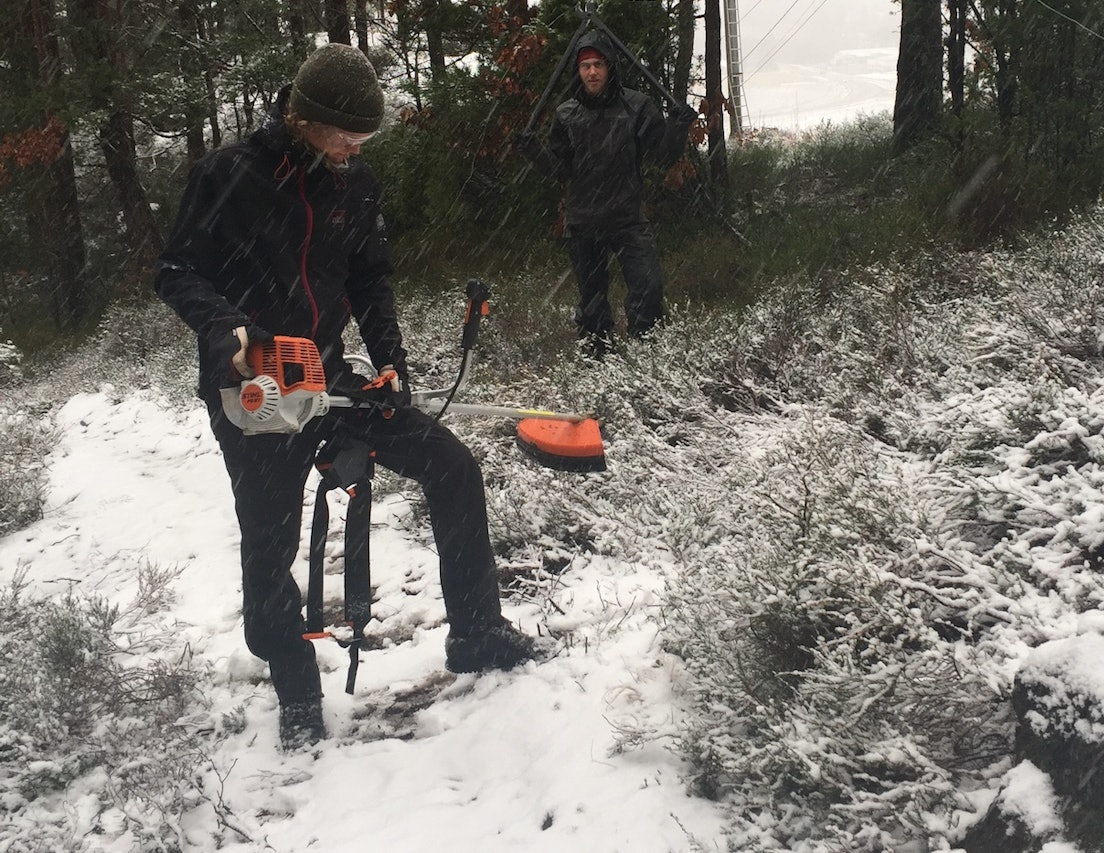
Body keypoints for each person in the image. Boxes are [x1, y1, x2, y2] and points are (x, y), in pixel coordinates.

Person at [155, 43, 543, 751]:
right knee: (268, 542)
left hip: (333, 376)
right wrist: (228, 329)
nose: (355, 147)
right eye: (345, 135)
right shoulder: (229, 174)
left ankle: (478, 631)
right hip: (257, 389)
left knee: (453, 467)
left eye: (365, 138)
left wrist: (391, 359)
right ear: (303, 117)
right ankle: (297, 685)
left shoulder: (353, 183)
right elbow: (175, 271)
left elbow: (370, 278)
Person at [517, 30, 697, 357]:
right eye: (585, 66)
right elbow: (559, 170)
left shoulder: (637, 106)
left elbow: (663, 157)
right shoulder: (567, 114)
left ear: (610, 66)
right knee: (592, 303)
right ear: (578, 70)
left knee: (649, 288)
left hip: (627, 218)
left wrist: (679, 126)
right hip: (584, 222)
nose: (592, 72)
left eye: (598, 64)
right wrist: (532, 151)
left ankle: (647, 359)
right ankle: (597, 366)